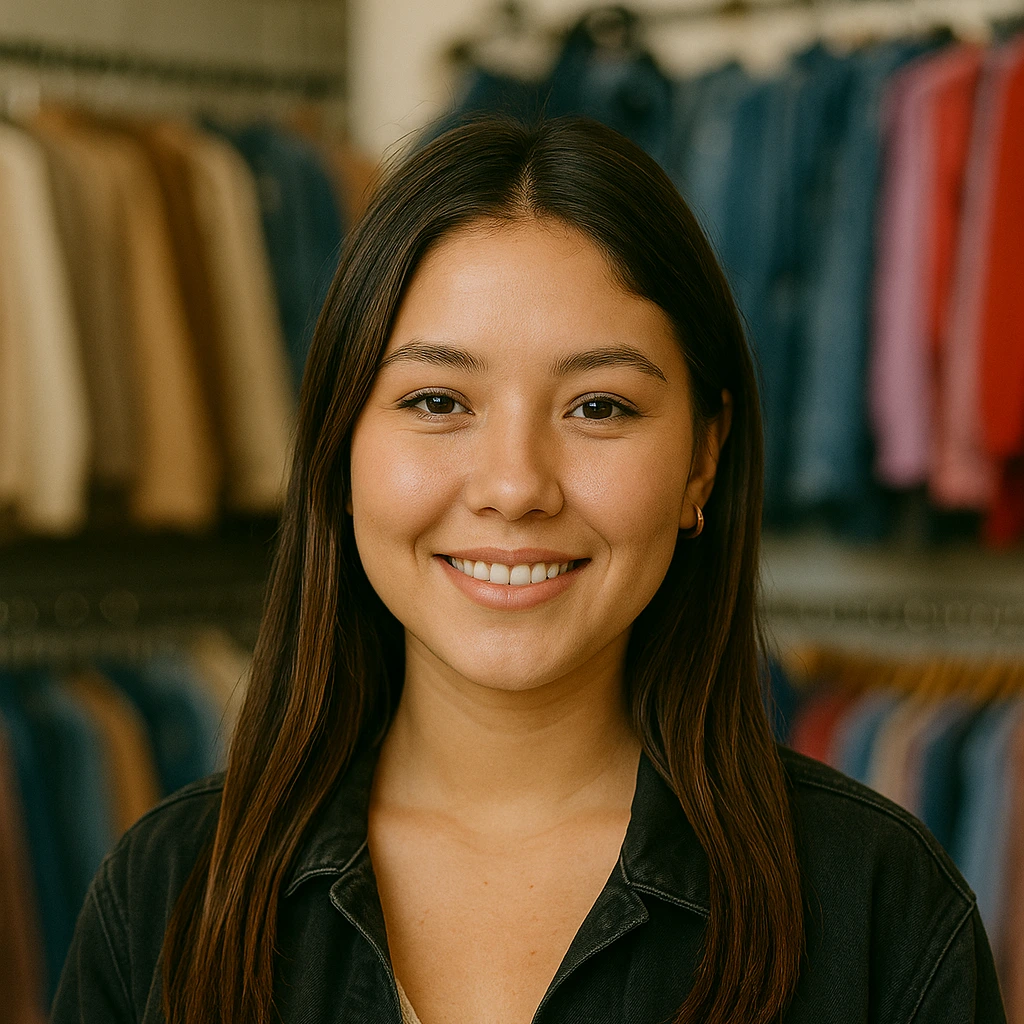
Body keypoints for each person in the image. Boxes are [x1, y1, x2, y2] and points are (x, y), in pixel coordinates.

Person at [50, 117, 1004, 1024]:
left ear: (702, 459)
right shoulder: (169, 893)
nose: (515, 486)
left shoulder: (878, 906)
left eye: (598, 407)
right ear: (340, 448)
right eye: (435, 399)